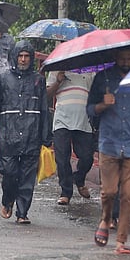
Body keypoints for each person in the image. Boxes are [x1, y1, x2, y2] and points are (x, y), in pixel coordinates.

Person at [87, 47, 130, 255]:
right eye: (123, 58)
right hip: (109, 143)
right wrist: (102, 105)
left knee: (129, 194)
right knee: (109, 192)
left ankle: (121, 241)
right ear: (115, 58)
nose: (126, 62)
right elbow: (90, 109)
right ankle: (106, 218)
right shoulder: (103, 78)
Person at [0, 41, 52, 224]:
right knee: (9, 173)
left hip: (32, 134)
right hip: (8, 134)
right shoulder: (4, 79)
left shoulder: (38, 80)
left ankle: (22, 212)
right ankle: (8, 200)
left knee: (28, 177)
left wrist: (46, 135)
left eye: (26, 56)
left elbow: (44, 109)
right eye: (20, 56)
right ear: (14, 57)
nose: (23, 60)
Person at [47, 68, 96, 205]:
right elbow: (47, 95)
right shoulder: (57, 70)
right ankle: (65, 192)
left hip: (84, 120)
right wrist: (58, 81)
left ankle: (79, 179)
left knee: (87, 157)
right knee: (62, 158)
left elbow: (96, 93)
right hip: (62, 119)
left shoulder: (90, 71)